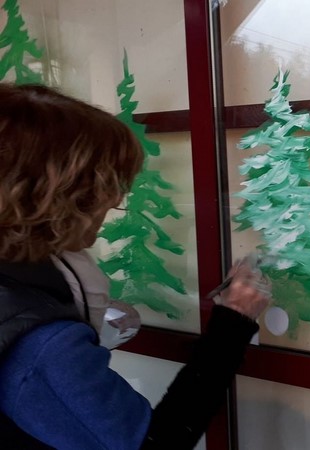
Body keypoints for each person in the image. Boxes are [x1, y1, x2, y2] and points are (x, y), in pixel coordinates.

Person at [0, 83, 271, 449]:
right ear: (61, 198)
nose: (116, 201)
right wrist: (233, 324)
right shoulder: (43, 348)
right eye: (108, 186)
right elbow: (157, 442)